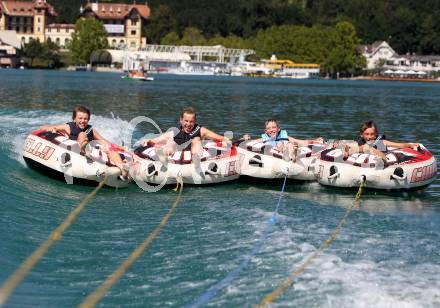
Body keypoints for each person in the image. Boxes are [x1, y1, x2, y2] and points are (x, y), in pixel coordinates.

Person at [39, 105, 129, 179]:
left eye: (85, 119)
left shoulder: (91, 130)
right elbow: (51, 127)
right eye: (80, 118)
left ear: (88, 119)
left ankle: (122, 170)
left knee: (107, 146)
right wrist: (50, 129)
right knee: (82, 134)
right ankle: (81, 150)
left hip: (90, 151)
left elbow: (104, 141)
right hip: (73, 150)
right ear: (74, 118)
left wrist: (120, 148)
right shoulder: (68, 126)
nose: (83, 121)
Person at [142, 107, 229, 160]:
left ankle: (197, 160)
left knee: (196, 139)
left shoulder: (201, 130)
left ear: (195, 121)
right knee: (171, 141)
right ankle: (163, 159)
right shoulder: (173, 133)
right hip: (176, 154)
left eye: (191, 121)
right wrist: (146, 142)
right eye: (186, 121)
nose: (188, 124)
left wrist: (225, 142)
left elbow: (222, 138)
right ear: (181, 120)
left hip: (196, 154)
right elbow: (152, 141)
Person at [242, 118, 324, 160]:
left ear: (278, 129)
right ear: (266, 131)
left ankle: (293, 155)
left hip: (287, 150)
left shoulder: (285, 137)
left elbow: (300, 142)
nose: (271, 130)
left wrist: (315, 141)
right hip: (273, 153)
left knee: (290, 144)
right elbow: (251, 142)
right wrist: (245, 138)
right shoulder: (264, 138)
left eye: (274, 127)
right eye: (269, 128)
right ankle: (288, 154)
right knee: (280, 144)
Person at [336, 120, 419, 160]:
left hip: (385, 158)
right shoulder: (359, 142)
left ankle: (382, 159)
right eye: (366, 134)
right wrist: (344, 148)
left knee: (367, 147)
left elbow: (400, 145)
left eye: (372, 134)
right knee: (347, 144)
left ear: (376, 134)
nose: (369, 137)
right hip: (365, 157)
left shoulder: (381, 142)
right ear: (361, 134)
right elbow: (349, 145)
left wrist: (410, 145)